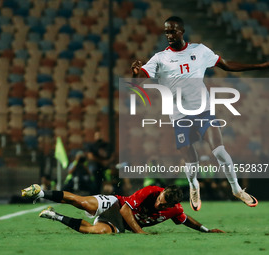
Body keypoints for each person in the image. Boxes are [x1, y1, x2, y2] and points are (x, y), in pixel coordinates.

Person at [131, 16, 265, 210]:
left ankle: (236, 189)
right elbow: (139, 81)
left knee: (219, 150)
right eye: (166, 31)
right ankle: (194, 185)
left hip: (203, 109)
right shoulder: (160, 58)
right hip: (178, 115)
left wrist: (259, 66)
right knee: (191, 159)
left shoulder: (200, 51)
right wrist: (135, 75)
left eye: (173, 31)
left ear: (182, 31)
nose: (169, 35)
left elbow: (226, 64)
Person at [21, 184, 224, 234]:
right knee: (82, 202)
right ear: (161, 192)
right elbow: (126, 210)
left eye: (163, 205)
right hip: (117, 204)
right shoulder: (151, 190)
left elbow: (185, 218)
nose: (158, 204)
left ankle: (53, 215)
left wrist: (206, 230)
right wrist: (141, 232)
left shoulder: (174, 210)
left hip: (119, 222)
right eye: (160, 199)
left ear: (171, 206)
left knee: (97, 232)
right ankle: (40, 193)